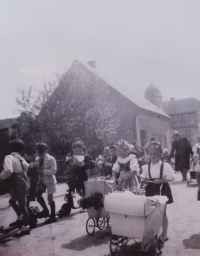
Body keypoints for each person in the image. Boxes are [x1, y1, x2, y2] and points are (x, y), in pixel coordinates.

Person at [141, 141, 175, 242]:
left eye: (156, 153)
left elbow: (172, 177)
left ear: (160, 154)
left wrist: (161, 180)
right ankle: (152, 232)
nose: (153, 156)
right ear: (147, 154)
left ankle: (164, 233)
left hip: (162, 188)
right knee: (150, 211)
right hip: (150, 189)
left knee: (162, 212)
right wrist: (143, 179)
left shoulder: (165, 166)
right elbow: (144, 176)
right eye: (150, 153)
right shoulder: (146, 166)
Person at [0, 139, 30, 236]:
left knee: (22, 205)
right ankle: (20, 219)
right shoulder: (19, 157)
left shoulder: (9, 157)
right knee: (12, 201)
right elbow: (27, 166)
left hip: (16, 182)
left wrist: (1, 176)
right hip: (23, 181)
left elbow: (8, 170)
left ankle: (26, 228)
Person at [32, 143, 57, 224]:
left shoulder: (51, 159)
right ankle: (46, 211)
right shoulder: (36, 159)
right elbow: (35, 168)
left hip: (50, 181)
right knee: (38, 195)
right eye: (38, 152)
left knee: (50, 198)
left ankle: (53, 216)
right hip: (42, 181)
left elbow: (54, 171)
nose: (40, 154)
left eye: (42, 152)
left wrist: (43, 171)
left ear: (46, 151)